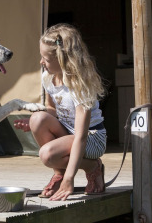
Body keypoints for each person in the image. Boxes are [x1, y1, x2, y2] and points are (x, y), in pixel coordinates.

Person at [14, 23, 107, 201]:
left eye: (46, 59)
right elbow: (52, 110)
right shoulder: (48, 77)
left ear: (64, 59)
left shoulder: (80, 85)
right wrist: (33, 122)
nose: (41, 62)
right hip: (68, 132)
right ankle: (59, 173)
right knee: (37, 118)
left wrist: (69, 179)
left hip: (92, 136)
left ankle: (92, 167)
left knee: (47, 155)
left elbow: (81, 137)